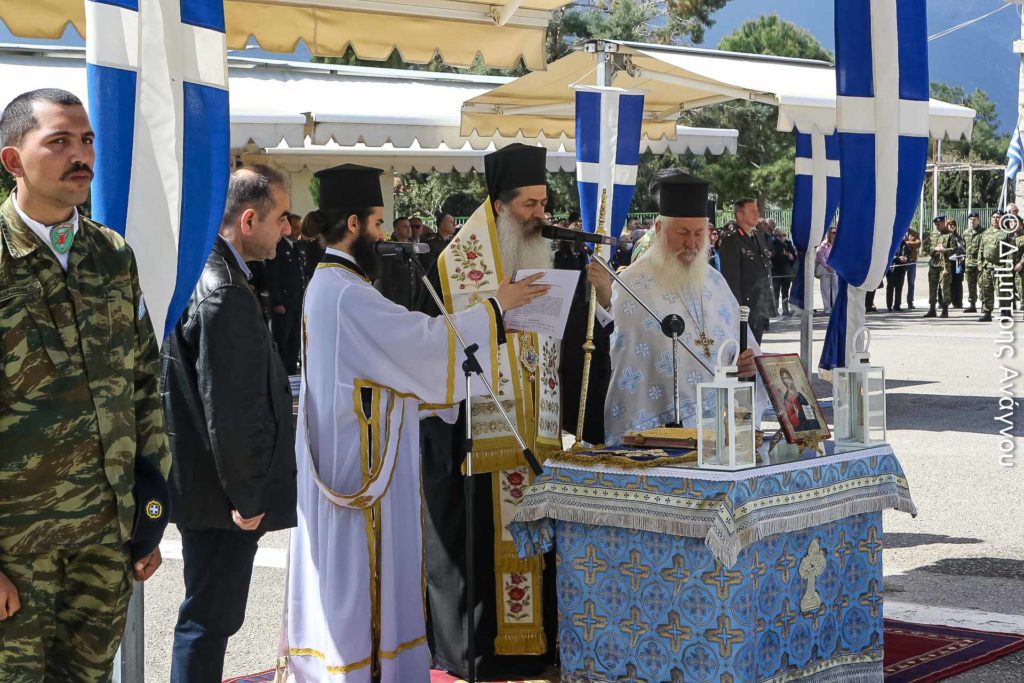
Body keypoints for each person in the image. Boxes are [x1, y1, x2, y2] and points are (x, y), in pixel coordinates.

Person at [279, 164, 546, 682]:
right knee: (360, 581)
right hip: (361, 469)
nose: (384, 235)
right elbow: (421, 343)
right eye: (378, 223)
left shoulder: (330, 284)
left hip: (353, 450)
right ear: (353, 223)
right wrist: (496, 310)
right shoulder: (346, 293)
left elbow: (396, 361)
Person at [0, 88, 169, 681]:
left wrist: (152, 507)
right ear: (13, 161)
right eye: (60, 141)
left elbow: (145, 382)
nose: (82, 155)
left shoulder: (111, 255)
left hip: (105, 537)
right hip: (16, 548)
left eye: (88, 140)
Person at [420, 144, 601, 679]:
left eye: (543, 203)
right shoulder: (454, 265)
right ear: (498, 207)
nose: (539, 216)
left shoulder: (543, 256)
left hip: (533, 437)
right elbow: (438, 349)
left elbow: (566, 350)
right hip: (476, 440)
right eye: (528, 205)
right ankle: (478, 651)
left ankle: (537, 645)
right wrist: (496, 313)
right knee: (479, 541)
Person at [161, 165, 298, 683]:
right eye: (280, 218)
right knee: (209, 618)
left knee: (209, 613)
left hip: (208, 487)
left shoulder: (210, 271)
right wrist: (248, 497)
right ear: (248, 219)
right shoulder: (224, 290)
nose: (287, 229)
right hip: (222, 497)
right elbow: (231, 408)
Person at [587, 171, 768, 445]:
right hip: (657, 436)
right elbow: (611, 356)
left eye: (699, 234)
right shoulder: (630, 285)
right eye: (683, 233)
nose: (692, 244)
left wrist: (746, 364)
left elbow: (745, 351)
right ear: (659, 229)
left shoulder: (715, 281)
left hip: (720, 432)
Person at [719, 198, 774, 342]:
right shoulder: (732, 241)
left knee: (756, 350)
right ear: (740, 215)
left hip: (760, 305)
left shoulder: (759, 237)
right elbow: (731, 280)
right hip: (745, 307)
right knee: (745, 352)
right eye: (752, 211)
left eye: (757, 211)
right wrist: (738, 310)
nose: (757, 214)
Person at [265, 211, 308, 374]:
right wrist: (276, 302)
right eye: (295, 227)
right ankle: (280, 373)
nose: (298, 231)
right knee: (282, 339)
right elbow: (272, 275)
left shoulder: (296, 247)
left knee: (294, 340)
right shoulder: (278, 247)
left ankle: (290, 373)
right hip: (284, 303)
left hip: (296, 302)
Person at [378, 216, 420, 309]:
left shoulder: (413, 247)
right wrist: (390, 301)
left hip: (413, 295)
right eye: (405, 226)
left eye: (409, 226)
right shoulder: (389, 249)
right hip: (398, 296)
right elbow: (386, 278)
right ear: (396, 230)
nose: (409, 229)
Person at [977, 212, 1006, 322]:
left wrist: (1007, 265)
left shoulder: (1006, 233)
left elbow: (1010, 251)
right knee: (986, 290)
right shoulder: (986, 233)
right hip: (987, 266)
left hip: (1000, 266)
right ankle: (987, 313)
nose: (995, 219)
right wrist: (979, 263)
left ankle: (1004, 313)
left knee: (1001, 291)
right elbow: (981, 249)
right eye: (993, 217)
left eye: (998, 217)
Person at [924, 216, 953, 318]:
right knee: (932, 287)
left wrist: (945, 250)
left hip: (944, 266)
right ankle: (932, 309)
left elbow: (954, 249)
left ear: (944, 223)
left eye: (939, 224)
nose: (937, 226)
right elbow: (925, 246)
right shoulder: (932, 234)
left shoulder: (949, 234)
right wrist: (934, 249)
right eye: (936, 224)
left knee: (944, 287)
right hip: (933, 264)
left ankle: (945, 309)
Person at [779, 367, 821, 432]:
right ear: (783, 381)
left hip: (808, 422)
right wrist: (797, 413)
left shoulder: (799, 393)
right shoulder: (787, 397)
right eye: (784, 378)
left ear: (791, 378)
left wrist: (811, 408)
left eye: (787, 378)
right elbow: (790, 416)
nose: (787, 381)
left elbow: (806, 407)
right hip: (800, 425)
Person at [771, 228, 798, 316]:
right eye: (779, 236)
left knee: (785, 291)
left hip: (787, 271)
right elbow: (774, 257)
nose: (782, 237)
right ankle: (775, 309)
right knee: (776, 291)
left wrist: (791, 257)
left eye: (784, 235)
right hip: (776, 271)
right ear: (776, 236)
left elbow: (794, 256)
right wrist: (783, 255)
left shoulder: (788, 243)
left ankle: (785, 309)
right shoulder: (773, 244)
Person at [963, 212, 984, 313]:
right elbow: (963, 247)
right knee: (971, 285)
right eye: (970, 219)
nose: (972, 221)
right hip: (968, 262)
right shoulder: (966, 232)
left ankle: (984, 305)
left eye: (974, 219)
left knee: (982, 284)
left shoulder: (983, 232)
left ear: (978, 220)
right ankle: (972, 305)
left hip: (980, 263)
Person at [816, 228, 839, 314]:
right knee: (825, 288)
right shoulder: (824, 244)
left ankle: (835, 306)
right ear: (829, 234)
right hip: (825, 268)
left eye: (836, 233)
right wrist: (826, 266)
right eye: (833, 233)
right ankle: (827, 307)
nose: (834, 234)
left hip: (835, 267)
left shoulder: (837, 244)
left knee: (835, 287)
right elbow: (821, 257)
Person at [886, 235, 911, 312]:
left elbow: (908, 254)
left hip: (901, 269)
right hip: (892, 268)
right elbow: (888, 255)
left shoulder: (904, 244)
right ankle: (889, 306)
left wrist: (906, 258)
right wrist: (897, 258)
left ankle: (897, 305)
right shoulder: (890, 243)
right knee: (890, 287)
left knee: (899, 288)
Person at [947, 218, 966, 309]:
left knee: (958, 283)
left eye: (953, 224)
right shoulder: (945, 236)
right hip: (948, 262)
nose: (952, 226)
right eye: (950, 224)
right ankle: (945, 302)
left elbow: (963, 248)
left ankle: (958, 302)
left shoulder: (959, 237)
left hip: (958, 262)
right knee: (947, 282)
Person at [904, 228, 922, 309]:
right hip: (901, 261)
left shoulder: (914, 233)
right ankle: (896, 303)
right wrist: (911, 243)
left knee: (911, 283)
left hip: (912, 260)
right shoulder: (899, 230)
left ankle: (910, 301)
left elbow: (918, 244)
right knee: (898, 283)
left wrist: (908, 243)